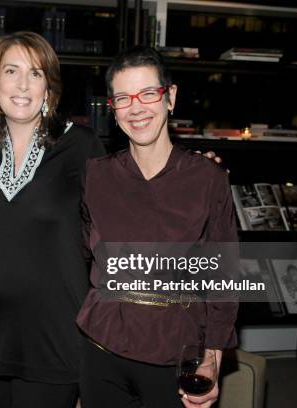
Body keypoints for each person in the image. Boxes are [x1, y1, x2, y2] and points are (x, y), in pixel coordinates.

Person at [76, 46, 239, 408]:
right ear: (113, 108)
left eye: (148, 93)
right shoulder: (95, 175)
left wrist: (213, 359)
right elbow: (81, 253)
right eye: (123, 98)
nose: (136, 108)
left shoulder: (207, 179)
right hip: (102, 349)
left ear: (171, 97)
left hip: (174, 354)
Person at [0, 31, 106, 408]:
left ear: (49, 89)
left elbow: (121, 225)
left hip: (54, 339)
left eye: (36, 74)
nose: (22, 85)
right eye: (11, 71)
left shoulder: (82, 147)